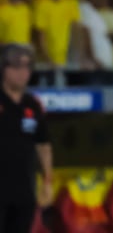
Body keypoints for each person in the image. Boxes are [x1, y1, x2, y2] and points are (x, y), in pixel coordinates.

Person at [0, 44, 52, 233]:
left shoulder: (33, 104)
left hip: (24, 191)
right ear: (4, 68)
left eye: (27, 67)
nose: (24, 73)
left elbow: (43, 145)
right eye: (17, 67)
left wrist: (47, 181)